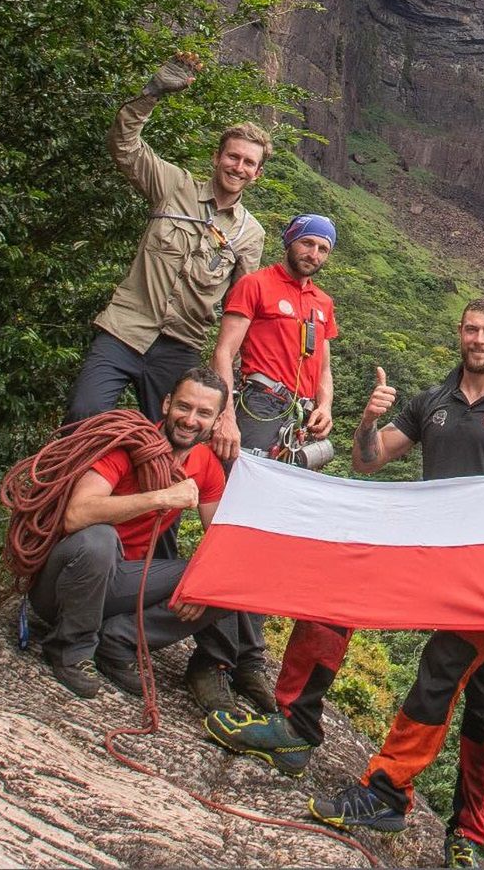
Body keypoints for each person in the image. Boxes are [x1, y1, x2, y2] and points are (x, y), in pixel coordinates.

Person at [213, 297, 484, 868]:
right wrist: (367, 420)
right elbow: (369, 461)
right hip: (427, 544)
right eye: (470, 329)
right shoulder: (430, 402)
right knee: (335, 593)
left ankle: (468, 836)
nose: (479, 338)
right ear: (459, 334)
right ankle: (295, 723)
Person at [177, 213, 342, 714]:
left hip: (294, 421)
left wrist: (326, 407)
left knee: (271, 540)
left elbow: (325, 368)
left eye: (323, 248)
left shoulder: (323, 304)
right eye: (308, 244)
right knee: (237, 529)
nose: (314, 254)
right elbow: (224, 351)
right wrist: (224, 413)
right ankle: (210, 660)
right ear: (291, 243)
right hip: (255, 407)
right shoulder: (256, 285)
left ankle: (248, 659)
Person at [64, 53, 268, 424]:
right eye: (233, 157)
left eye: (248, 163)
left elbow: (240, 308)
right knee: (84, 414)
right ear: (216, 157)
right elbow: (124, 146)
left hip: (182, 345)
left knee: (175, 436)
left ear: (257, 174)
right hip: (125, 329)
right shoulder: (174, 186)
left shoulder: (250, 233)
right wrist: (153, 92)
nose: (238, 167)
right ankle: (70, 482)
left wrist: (230, 375)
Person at [33, 367, 241, 699]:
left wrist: (205, 588)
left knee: (227, 581)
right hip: (66, 583)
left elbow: (222, 539)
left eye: (203, 413)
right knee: (100, 538)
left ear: (216, 422)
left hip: (120, 586)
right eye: (183, 407)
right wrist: (161, 497)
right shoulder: (127, 446)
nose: (190, 420)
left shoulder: (205, 464)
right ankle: (68, 649)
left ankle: (118, 641)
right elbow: (77, 515)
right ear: (166, 404)